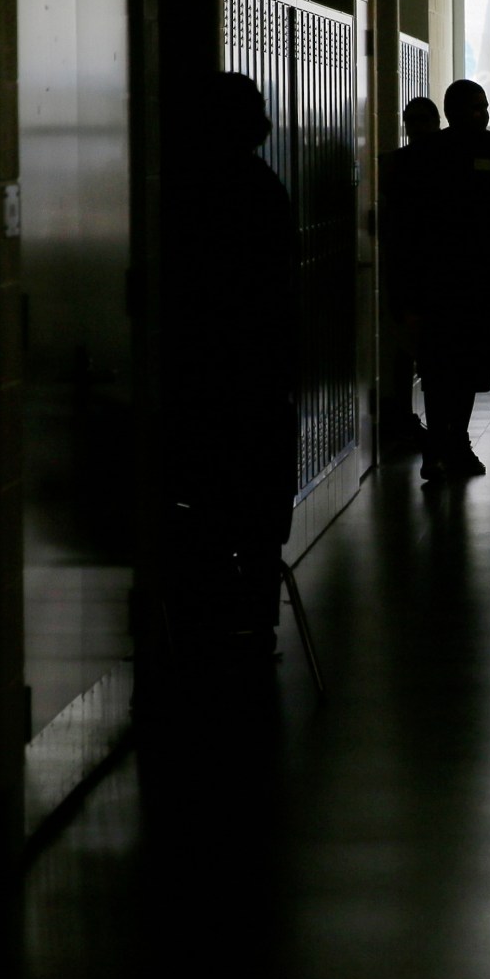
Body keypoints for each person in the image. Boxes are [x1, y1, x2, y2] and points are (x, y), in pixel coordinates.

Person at [174, 70, 297, 657]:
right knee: (261, 504)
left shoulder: (185, 188)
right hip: (259, 370)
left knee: (208, 498)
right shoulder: (263, 187)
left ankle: (211, 616)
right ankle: (256, 618)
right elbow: (279, 287)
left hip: (203, 369)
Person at [407, 79, 490, 483]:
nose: (484, 114)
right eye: (476, 107)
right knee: (441, 366)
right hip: (441, 280)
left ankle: (452, 439)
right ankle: (443, 441)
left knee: (473, 366)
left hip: (483, 277)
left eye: (485, 107)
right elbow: (408, 225)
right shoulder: (431, 153)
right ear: (453, 110)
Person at [377, 97, 443, 452]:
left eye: (420, 120)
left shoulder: (397, 164)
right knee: (412, 348)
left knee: (417, 349)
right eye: (411, 121)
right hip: (415, 268)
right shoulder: (443, 161)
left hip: (415, 266)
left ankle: (412, 418)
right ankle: (410, 417)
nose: (415, 127)